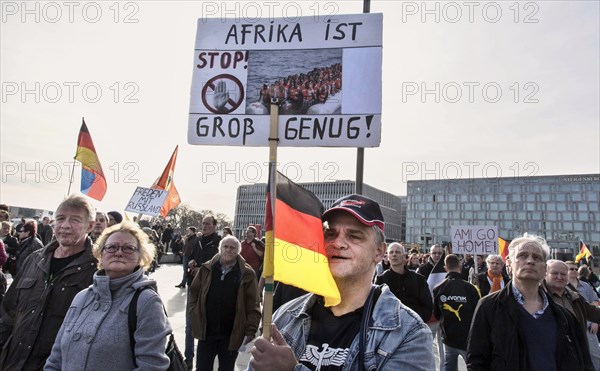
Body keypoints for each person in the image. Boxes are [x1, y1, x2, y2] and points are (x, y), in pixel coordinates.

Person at [249, 194, 434, 370]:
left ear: (379, 252)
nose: (338, 243)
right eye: (331, 234)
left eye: (354, 236)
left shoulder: (408, 333)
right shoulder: (285, 317)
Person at [45, 221, 171, 370]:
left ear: (140, 257)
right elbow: (56, 357)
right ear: (100, 254)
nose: (118, 253)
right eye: (111, 247)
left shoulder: (147, 301)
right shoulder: (81, 297)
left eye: (128, 248)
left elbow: (151, 366)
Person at [0, 194, 98, 370]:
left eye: (75, 219)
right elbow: (8, 311)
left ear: (89, 226)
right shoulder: (35, 259)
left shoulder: (98, 270)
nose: (65, 225)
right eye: (60, 218)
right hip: (12, 362)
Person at [467, 234, 593, 370]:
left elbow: (583, 361)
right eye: (522, 255)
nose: (530, 261)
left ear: (545, 268)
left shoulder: (564, 316)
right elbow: (477, 362)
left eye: (537, 257)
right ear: (509, 264)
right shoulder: (488, 307)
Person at [188, 236, 260, 371]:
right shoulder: (206, 268)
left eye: (232, 248)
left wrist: (251, 329)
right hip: (207, 332)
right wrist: (194, 312)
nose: (228, 250)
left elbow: (253, 304)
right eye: (225, 247)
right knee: (202, 367)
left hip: (231, 334)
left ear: (238, 251)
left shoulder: (247, 274)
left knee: (226, 368)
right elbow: (194, 292)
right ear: (220, 249)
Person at [544, 259, 600, 371]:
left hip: (578, 353)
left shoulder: (574, 297)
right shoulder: (539, 297)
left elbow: (594, 313)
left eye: (563, 274)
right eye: (555, 273)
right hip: (551, 358)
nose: (559, 277)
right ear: (545, 274)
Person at [433, 254, 480, 371]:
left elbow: (437, 314)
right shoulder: (470, 288)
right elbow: (478, 314)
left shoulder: (438, 288)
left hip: (448, 339)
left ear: (445, 268)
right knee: (474, 367)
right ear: (460, 266)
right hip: (468, 339)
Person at [186, 215, 221, 368]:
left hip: (210, 289)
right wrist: (191, 262)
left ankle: (204, 358)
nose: (204, 226)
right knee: (190, 323)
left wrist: (202, 270)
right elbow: (192, 257)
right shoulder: (197, 240)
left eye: (207, 224)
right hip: (193, 286)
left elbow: (221, 267)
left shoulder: (220, 243)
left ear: (214, 225)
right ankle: (188, 358)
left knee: (206, 323)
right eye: (203, 223)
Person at [375, 242, 432, 322]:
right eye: (391, 252)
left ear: (404, 256)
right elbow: (376, 306)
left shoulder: (418, 279)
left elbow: (427, 305)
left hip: (415, 327)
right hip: (390, 328)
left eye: (397, 252)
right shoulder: (381, 280)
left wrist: (416, 321)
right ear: (388, 257)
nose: (394, 254)